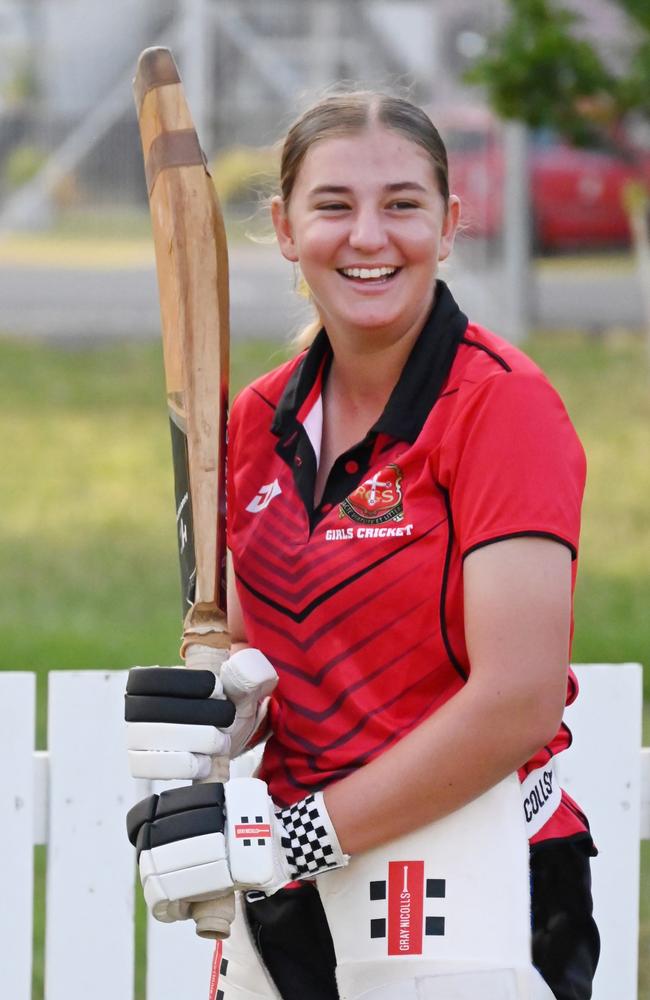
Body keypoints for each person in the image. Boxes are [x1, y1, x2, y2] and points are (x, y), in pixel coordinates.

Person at [125, 91, 600, 1000]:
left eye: (403, 204)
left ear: (451, 223)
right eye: (335, 205)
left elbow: (520, 699)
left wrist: (302, 834)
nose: (369, 237)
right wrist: (222, 714)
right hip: (290, 890)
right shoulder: (256, 421)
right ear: (286, 226)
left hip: (476, 863)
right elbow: (270, 663)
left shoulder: (500, 405)